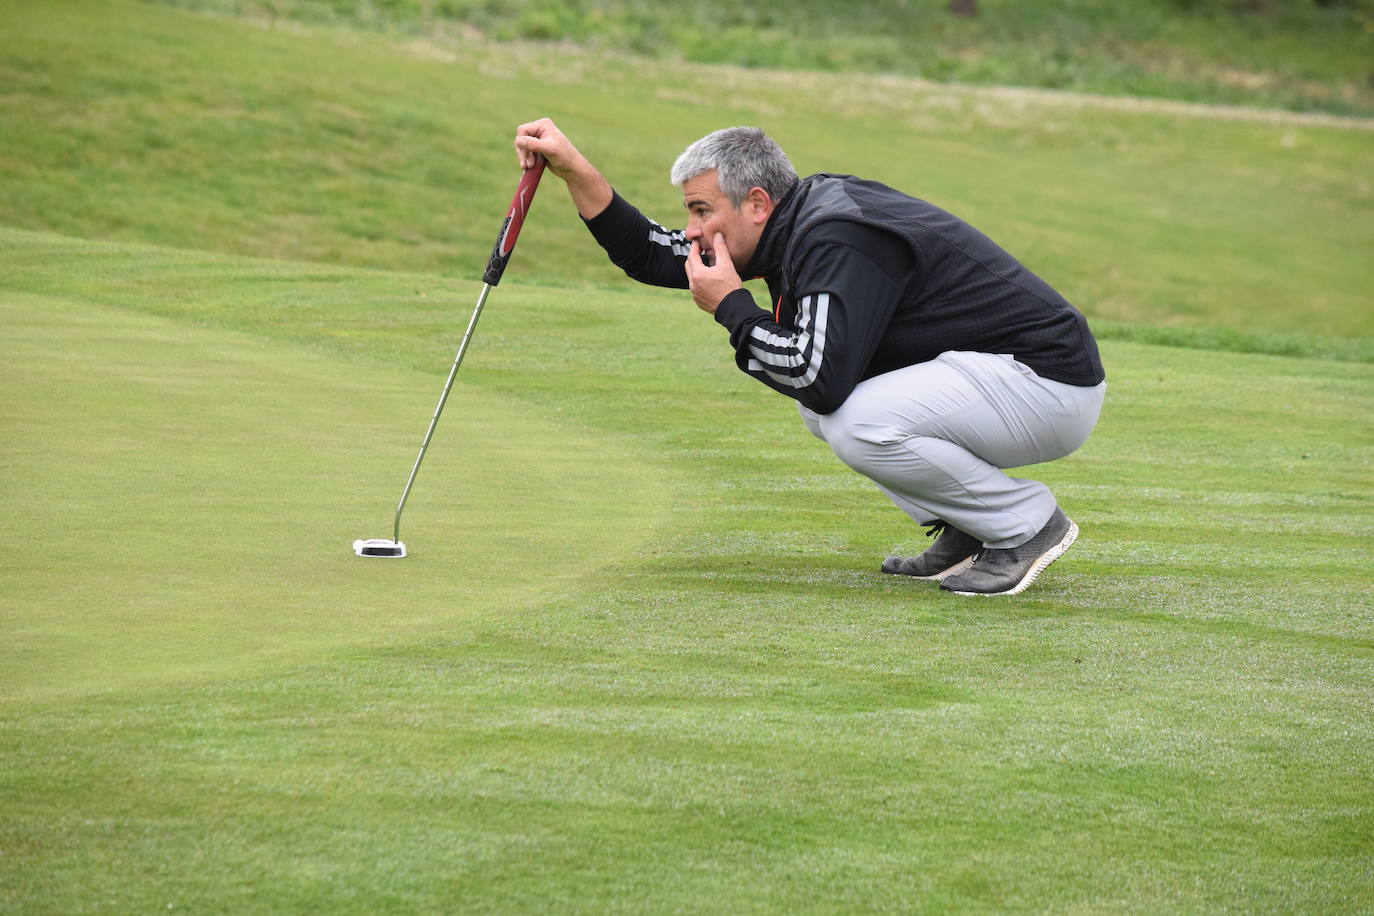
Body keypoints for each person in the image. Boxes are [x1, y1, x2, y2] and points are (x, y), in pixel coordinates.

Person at [513, 118, 1106, 596]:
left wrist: (733, 309)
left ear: (757, 203)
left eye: (700, 211)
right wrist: (574, 168)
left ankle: (1024, 526)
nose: (691, 231)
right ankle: (972, 525)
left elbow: (817, 377)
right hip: (996, 378)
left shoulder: (836, 234)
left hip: (1046, 381)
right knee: (826, 411)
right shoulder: (795, 223)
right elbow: (650, 254)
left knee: (851, 416)